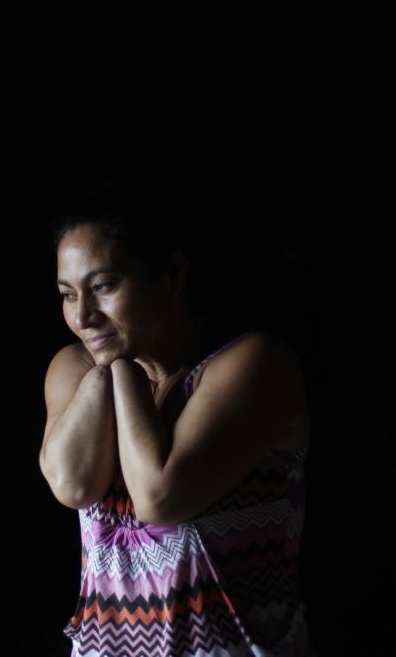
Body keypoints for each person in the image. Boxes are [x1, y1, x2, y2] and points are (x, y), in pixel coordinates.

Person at [38, 181, 316, 656]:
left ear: (171, 274)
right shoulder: (75, 370)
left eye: (103, 286)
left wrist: (120, 372)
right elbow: (72, 484)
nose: (82, 316)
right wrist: (113, 372)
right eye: (67, 294)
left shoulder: (253, 365)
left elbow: (159, 494)